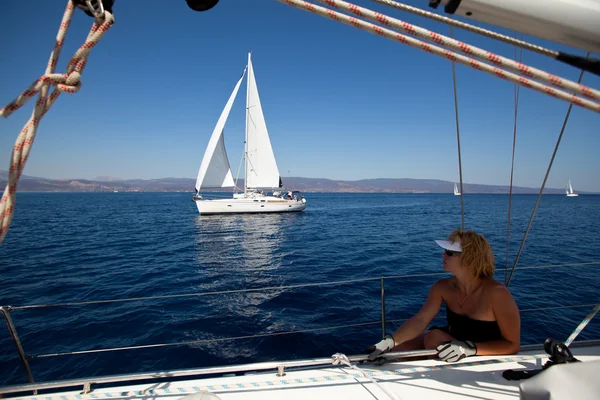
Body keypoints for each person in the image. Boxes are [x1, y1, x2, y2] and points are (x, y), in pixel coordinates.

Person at [367, 229, 520, 363]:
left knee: (434, 337)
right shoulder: (442, 287)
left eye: (449, 252)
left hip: (481, 350)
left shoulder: (497, 293)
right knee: (395, 350)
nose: (443, 254)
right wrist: (390, 341)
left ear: (469, 258)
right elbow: (421, 319)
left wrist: (471, 349)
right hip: (454, 341)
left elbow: (512, 344)